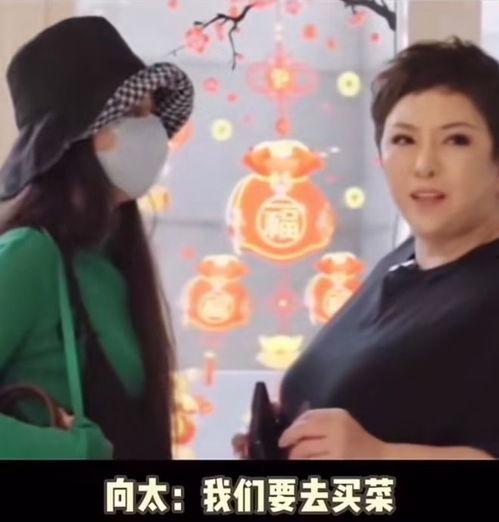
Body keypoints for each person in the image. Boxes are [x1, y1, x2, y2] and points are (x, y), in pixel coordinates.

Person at [237, 37, 499, 460]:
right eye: (403, 139)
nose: (424, 165)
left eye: (456, 140)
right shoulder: (402, 262)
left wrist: (379, 455)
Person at [0, 16, 194, 459]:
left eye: (151, 112)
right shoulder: (30, 256)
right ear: (72, 141)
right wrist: (75, 449)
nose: (152, 129)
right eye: (132, 113)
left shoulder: (113, 261)